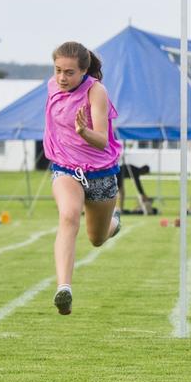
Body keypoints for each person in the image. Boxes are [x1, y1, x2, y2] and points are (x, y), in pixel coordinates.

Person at [44, 42, 123, 316]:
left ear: (84, 71)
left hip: (101, 173)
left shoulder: (96, 91)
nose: (62, 78)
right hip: (66, 169)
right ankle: (64, 287)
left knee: (96, 238)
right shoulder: (52, 86)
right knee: (68, 216)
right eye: (58, 71)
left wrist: (83, 132)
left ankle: (114, 223)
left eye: (69, 72)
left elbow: (101, 140)